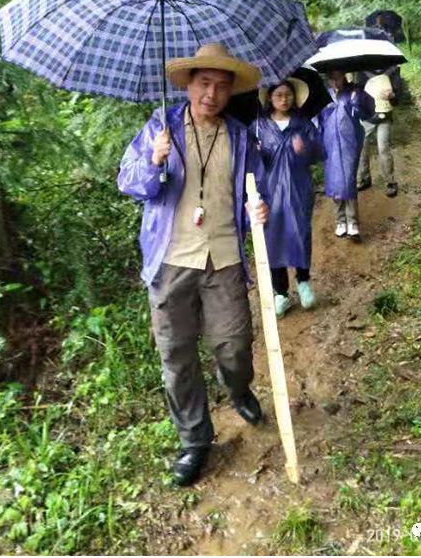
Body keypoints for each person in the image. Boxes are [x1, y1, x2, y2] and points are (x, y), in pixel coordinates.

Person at [117, 43, 269, 488]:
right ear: (189, 84)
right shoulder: (160, 127)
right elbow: (130, 181)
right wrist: (154, 159)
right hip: (171, 260)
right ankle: (195, 441)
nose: (213, 93)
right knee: (177, 356)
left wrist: (259, 208)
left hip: (222, 257)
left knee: (234, 344)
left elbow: (255, 189)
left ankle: (237, 387)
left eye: (222, 86)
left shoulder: (240, 136)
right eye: (205, 83)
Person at [250, 78, 323, 319]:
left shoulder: (303, 124)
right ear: (270, 98)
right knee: (273, 239)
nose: (284, 99)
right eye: (279, 95)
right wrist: (257, 153)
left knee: (300, 233)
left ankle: (303, 282)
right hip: (269, 192)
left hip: (298, 189)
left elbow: (321, 152)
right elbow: (247, 162)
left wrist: (306, 149)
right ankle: (280, 292)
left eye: (288, 95)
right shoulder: (258, 127)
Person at [318, 68, 375, 240]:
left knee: (348, 180)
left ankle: (353, 222)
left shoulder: (354, 91)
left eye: (337, 77)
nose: (335, 81)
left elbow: (367, 112)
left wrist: (357, 101)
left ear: (343, 76)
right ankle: (340, 221)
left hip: (349, 143)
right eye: (331, 78)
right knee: (335, 182)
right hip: (329, 143)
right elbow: (318, 120)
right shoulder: (323, 96)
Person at [356, 65, 402, 196]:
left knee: (383, 148)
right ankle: (364, 178)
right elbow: (358, 91)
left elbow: (398, 94)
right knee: (362, 147)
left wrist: (392, 95)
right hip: (367, 116)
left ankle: (390, 181)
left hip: (384, 115)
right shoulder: (362, 71)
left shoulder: (392, 70)